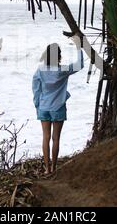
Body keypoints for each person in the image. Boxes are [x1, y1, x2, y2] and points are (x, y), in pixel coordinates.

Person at [32, 36, 84, 174]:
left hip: (43, 108)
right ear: (59, 56)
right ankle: (54, 168)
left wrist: (37, 106)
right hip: (58, 107)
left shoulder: (40, 70)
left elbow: (36, 90)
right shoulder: (62, 70)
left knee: (45, 137)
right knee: (56, 138)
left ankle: (47, 169)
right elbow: (80, 64)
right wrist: (79, 46)